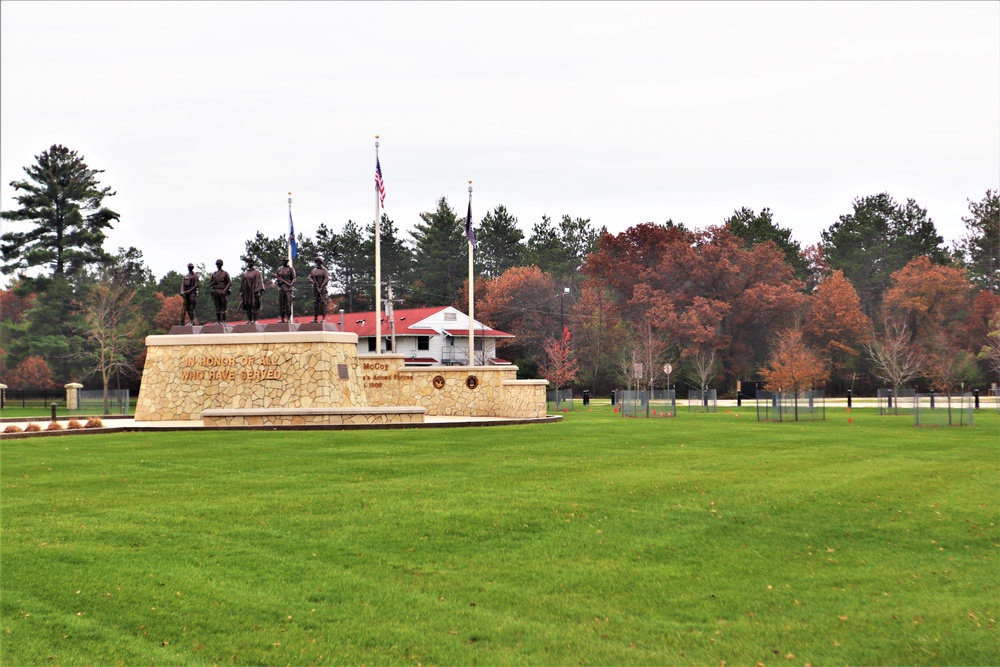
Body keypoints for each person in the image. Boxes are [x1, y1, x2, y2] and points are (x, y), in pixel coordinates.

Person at [240, 259, 265, 323]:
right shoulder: (245, 273)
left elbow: (259, 282)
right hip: (247, 292)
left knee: (254, 305)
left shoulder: (257, 272)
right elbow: (242, 283)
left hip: (254, 291)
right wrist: (241, 292)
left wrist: (258, 291)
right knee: (248, 305)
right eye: (248, 262)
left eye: (251, 262)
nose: (249, 263)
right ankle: (249, 319)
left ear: (253, 263)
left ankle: (254, 319)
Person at [210, 259, 231, 324]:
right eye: (217, 264)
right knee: (217, 306)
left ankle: (224, 320)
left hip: (222, 291)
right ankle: (218, 321)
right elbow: (210, 284)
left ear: (221, 265)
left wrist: (225, 291)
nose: (218, 265)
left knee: (223, 306)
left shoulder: (225, 273)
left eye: (219, 264)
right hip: (216, 291)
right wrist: (213, 283)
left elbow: (229, 283)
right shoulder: (214, 274)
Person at [308, 258, 330, 322]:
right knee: (315, 303)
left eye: (318, 262)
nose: (317, 263)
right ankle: (315, 318)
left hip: (322, 289)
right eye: (316, 262)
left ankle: (323, 318)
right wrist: (313, 282)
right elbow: (309, 277)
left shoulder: (324, 270)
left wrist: (321, 286)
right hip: (315, 289)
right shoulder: (314, 270)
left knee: (323, 303)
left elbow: (326, 279)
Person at [275, 257, 296, 323]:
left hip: (288, 289)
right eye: (283, 261)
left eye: (285, 261)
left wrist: (291, 284)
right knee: (281, 305)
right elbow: (277, 278)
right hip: (281, 288)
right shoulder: (279, 269)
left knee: (288, 304)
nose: (284, 262)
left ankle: (288, 318)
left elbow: (294, 278)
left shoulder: (290, 269)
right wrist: (278, 282)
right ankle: (282, 318)